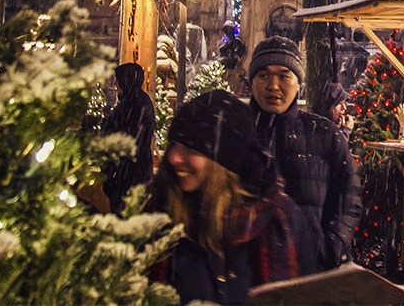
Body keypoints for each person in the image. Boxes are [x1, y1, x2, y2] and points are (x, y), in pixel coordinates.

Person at [148, 90, 312, 304]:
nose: (175, 158)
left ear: (226, 163)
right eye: (174, 145)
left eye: (192, 150)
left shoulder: (281, 220)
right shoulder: (157, 217)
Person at [247, 36, 362, 272]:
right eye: (264, 75)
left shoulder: (323, 134)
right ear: (252, 81)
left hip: (308, 272)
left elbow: (349, 197)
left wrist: (330, 247)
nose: (273, 85)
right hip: (248, 271)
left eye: (284, 75)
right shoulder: (235, 132)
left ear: (298, 83)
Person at [101, 63, 155, 214]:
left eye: (118, 81)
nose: (116, 85)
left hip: (125, 175)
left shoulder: (128, 106)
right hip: (139, 171)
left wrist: (110, 172)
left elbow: (114, 140)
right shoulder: (143, 102)